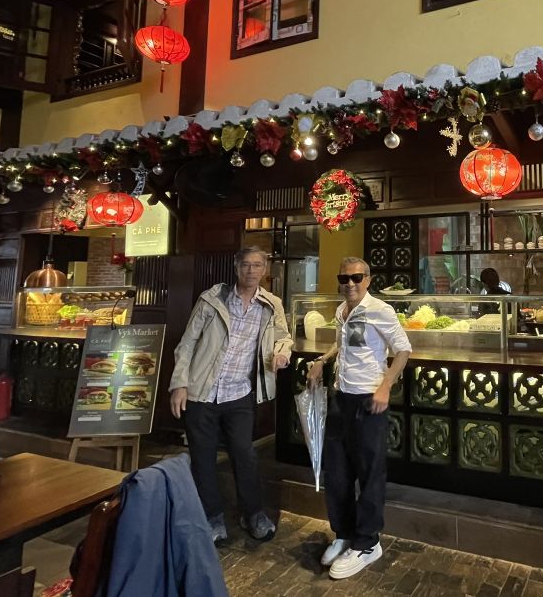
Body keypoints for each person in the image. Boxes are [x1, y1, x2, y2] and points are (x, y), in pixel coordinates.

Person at [169, 246, 293, 544]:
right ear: (236, 268)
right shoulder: (212, 299)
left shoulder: (271, 304)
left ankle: (253, 514)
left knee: (244, 454)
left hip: (239, 393)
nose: (251, 271)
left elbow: (283, 337)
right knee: (203, 457)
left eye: (257, 265)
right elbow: (187, 343)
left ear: (265, 269)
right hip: (202, 392)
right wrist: (179, 385)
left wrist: (281, 353)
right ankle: (211, 517)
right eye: (246, 265)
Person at [307, 257, 411, 580]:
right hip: (341, 399)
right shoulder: (342, 311)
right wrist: (322, 360)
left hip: (369, 401)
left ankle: (367, 543)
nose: (350, 284)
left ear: (368, 279)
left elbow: (403, 350)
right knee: (337, 472)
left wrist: (385, 386)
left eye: (356, 278)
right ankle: (344, 533)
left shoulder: (380, 310)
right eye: (344, 278)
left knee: (369, 473)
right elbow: (344, 344)